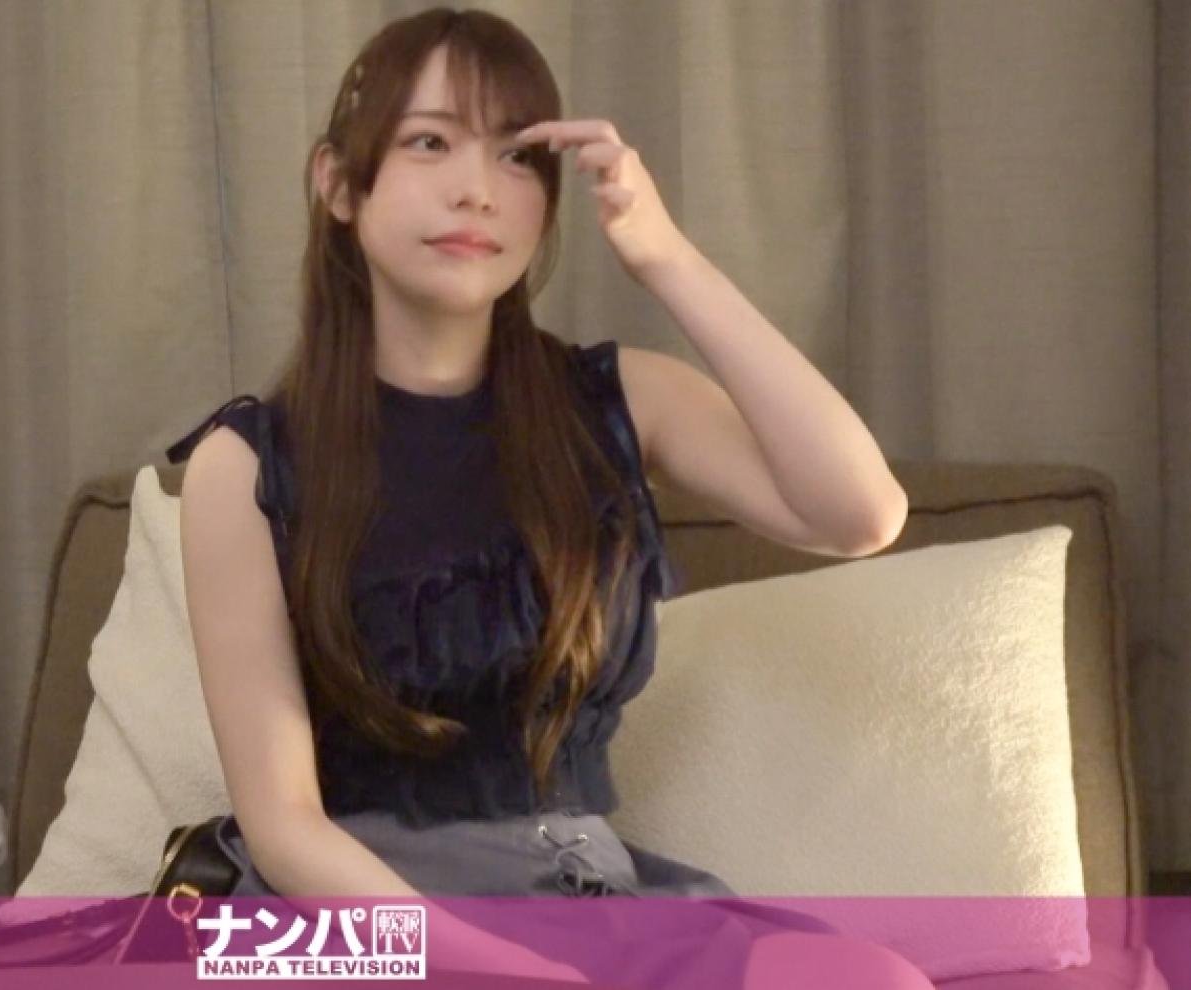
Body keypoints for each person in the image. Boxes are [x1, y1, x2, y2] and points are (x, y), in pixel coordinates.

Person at [166, 8, 923, 989]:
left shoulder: (617, 403)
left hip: (576, 894)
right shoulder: (243, 467)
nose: (476, 189)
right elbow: (285, 828)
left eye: (517, 157)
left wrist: (664, 257)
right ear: (339, 183)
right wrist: (505, 970)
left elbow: (860, 513)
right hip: (353, 921)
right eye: (430, 143)